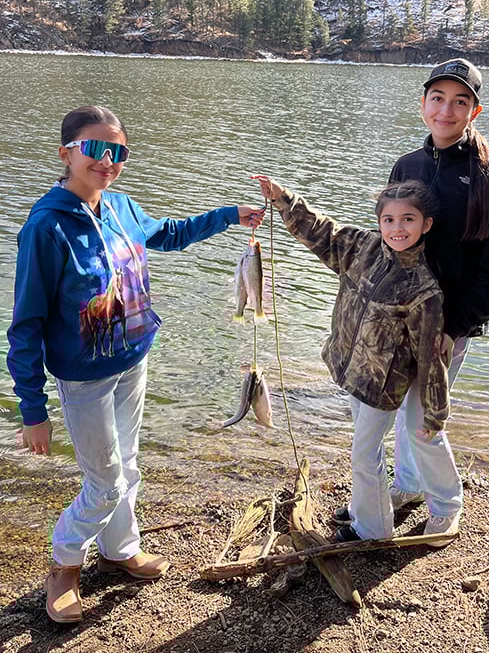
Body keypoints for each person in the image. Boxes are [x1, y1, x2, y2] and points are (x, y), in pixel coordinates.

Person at [6, 105, 265, 624]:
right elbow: (27, 322)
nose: (107, 161)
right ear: (66, 153)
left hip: (133, 357)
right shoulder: (45, 228)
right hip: (84, 377)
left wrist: (230, 216)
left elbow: (168, 233)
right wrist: (32, 409)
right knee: (103, 480)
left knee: (127, 465)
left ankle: (120, 547)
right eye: (95, 149)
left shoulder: (121, 206)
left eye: (117, 152)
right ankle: (64, 562)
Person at [252, 175, 456, 545]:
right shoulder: (361, 247)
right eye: (389, 220)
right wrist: (283, 198)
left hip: (382, 385)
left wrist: (434, 413)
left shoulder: (423, 290)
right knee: (364, 451)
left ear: (426, 225)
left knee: (364, 454)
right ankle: (371, 510)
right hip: (352, 372)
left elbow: (431, 359)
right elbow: (322, 232)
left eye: (408, 219)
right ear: (379, 222)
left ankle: (373, 530)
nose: (398, 228)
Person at [388, 58, 489, 541]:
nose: (446, 109)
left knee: (425, 415)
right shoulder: (408, 165)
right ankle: (407, 485)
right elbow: (391, 238)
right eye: (438, 98)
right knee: (402, 404)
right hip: (399, 316)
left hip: (447, 324)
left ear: (474, 111)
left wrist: (455, 326)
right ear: (423, 104)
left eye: (459, 101)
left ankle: (446, 504)